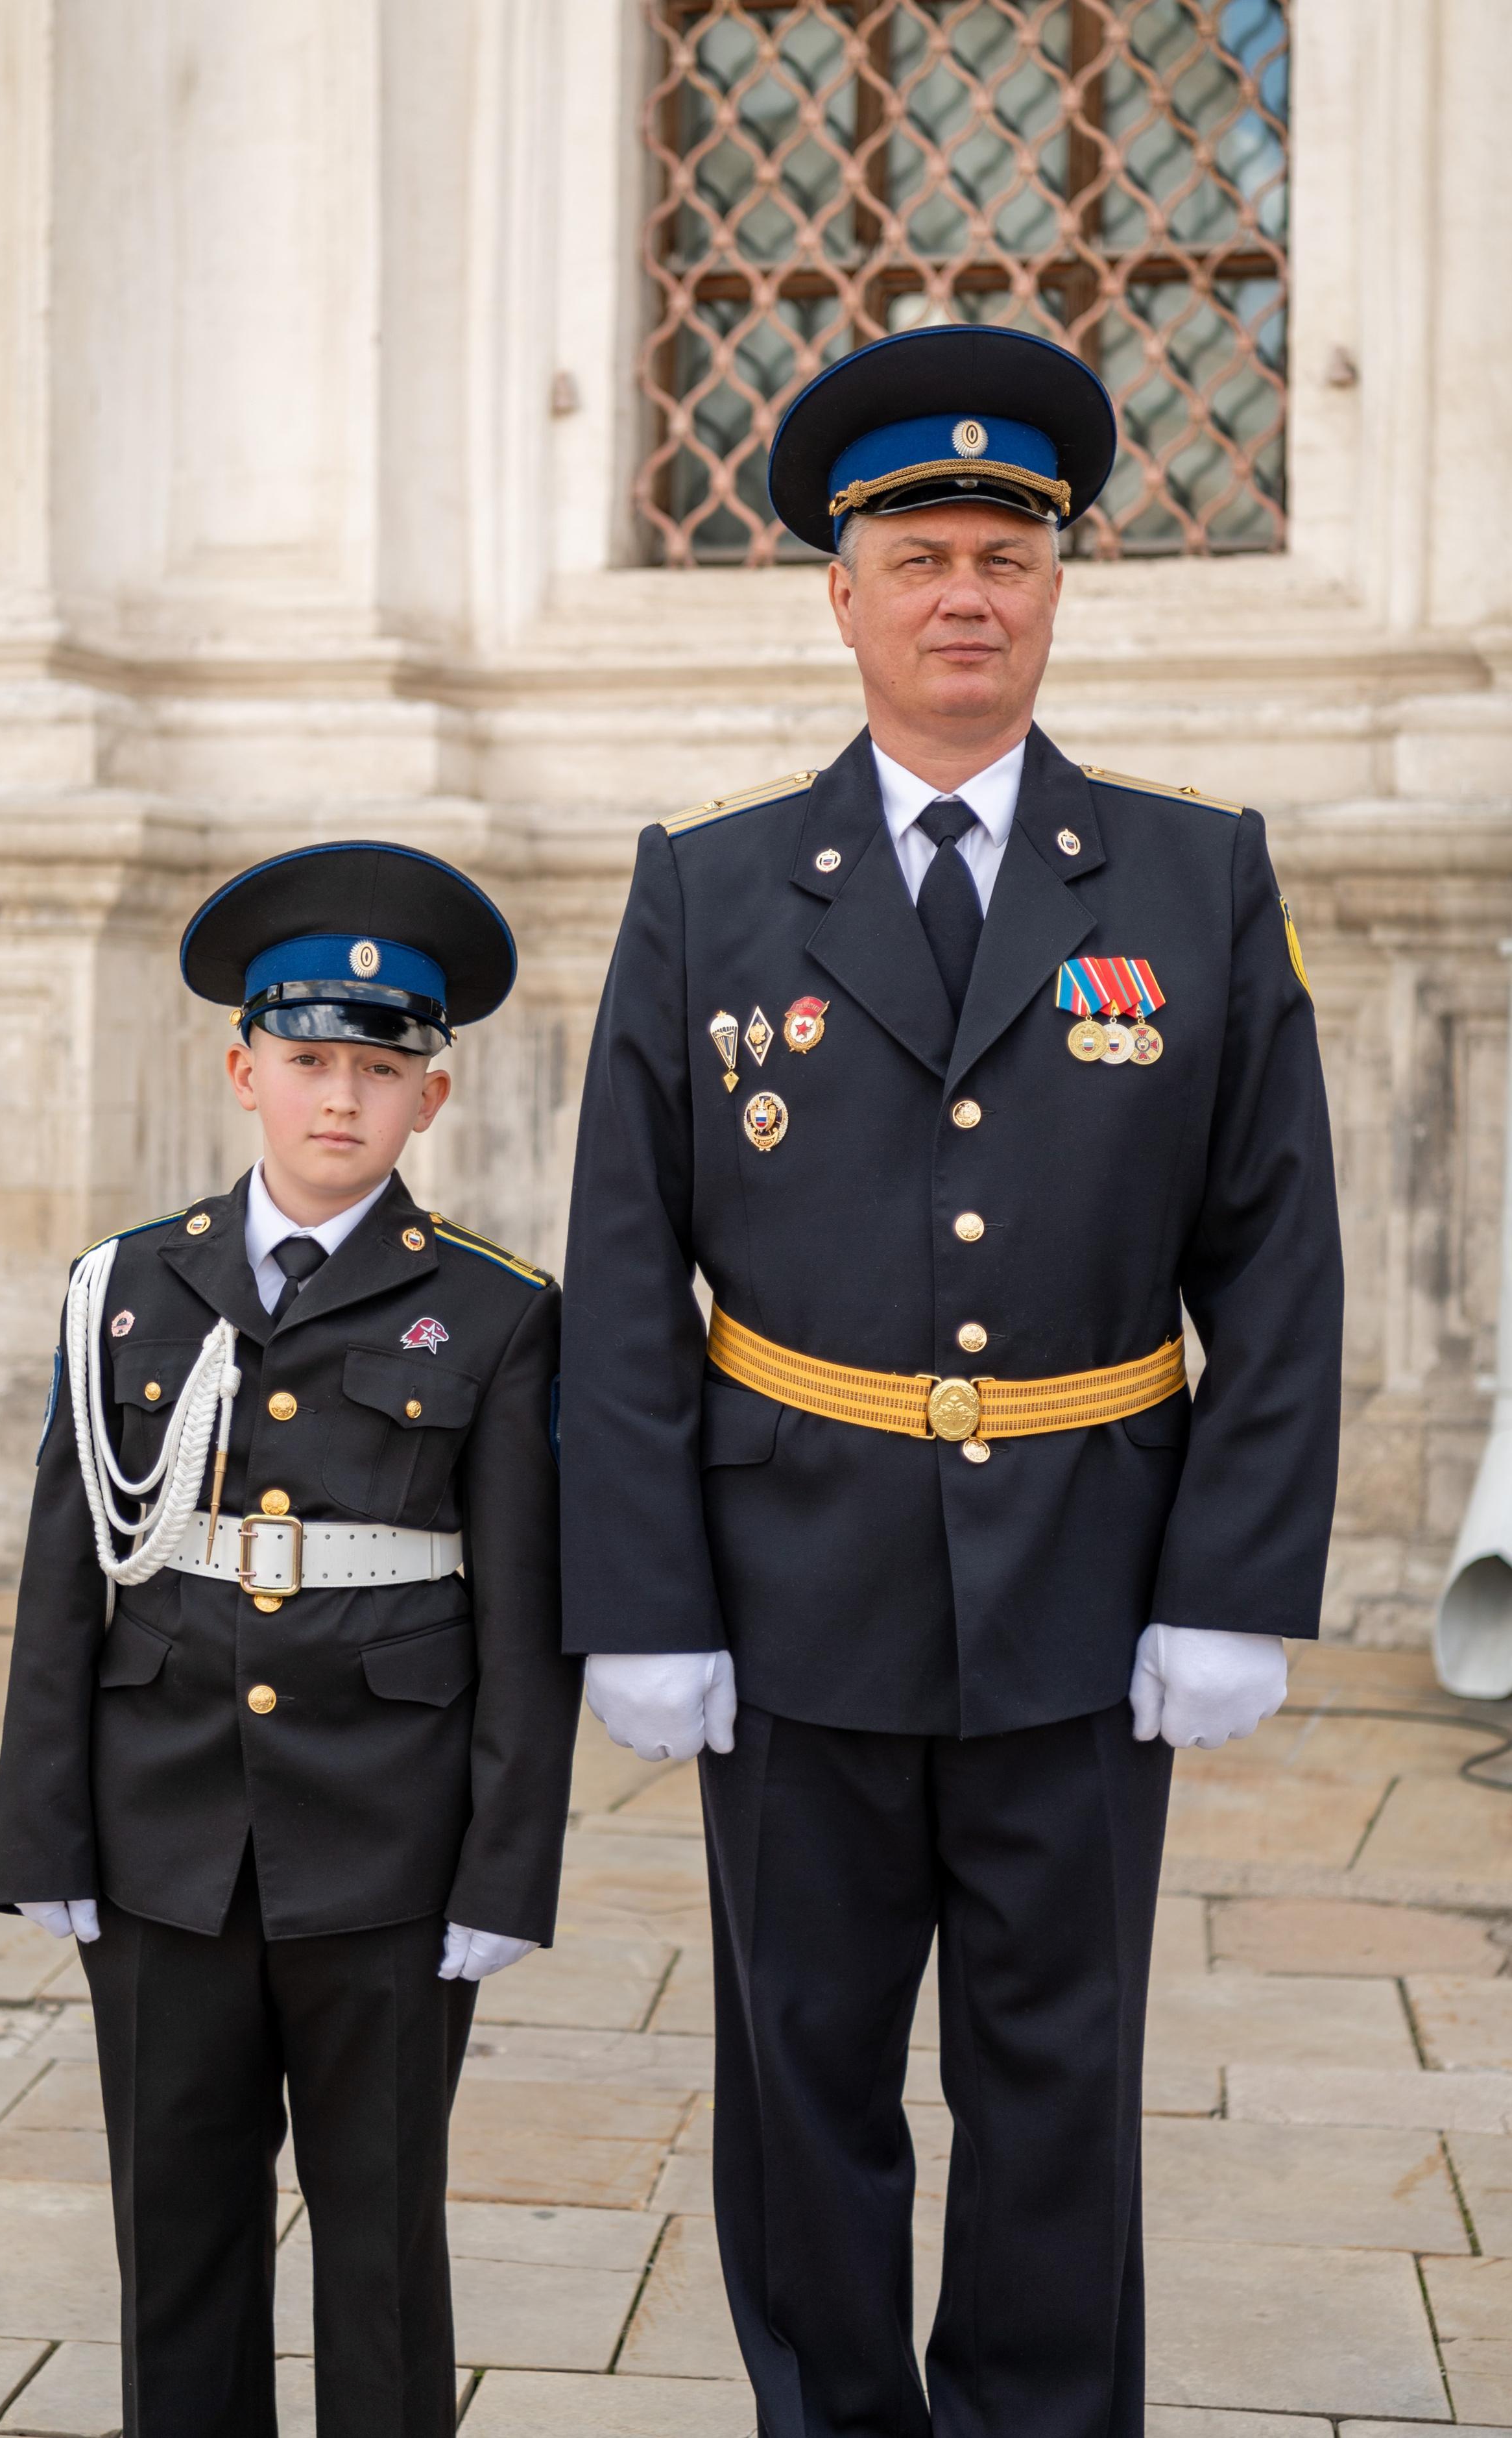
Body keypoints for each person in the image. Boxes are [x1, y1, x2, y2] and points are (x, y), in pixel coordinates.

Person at [558, 326, 1341, 2437]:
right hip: (794, 1580)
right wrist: (639, 1595)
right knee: (800, 2074)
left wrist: (1234, 1578)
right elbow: (628, 1268)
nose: (966, 590)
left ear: (1060, 581)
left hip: (1092, 1591)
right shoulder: (712, 887)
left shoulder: (1192, 875)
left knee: (1059, 2075)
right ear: (844, 591)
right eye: (920, 555)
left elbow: (1275, 1248)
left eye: (1007, 548)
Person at [0, 841, 582, 2438]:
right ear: (242, 1067)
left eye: (380, 1070)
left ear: (428, 1104)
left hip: (387, 1849)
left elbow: (530, 1625)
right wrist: (45, 1827)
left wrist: (504, 1869)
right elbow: (64, 1583)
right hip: (161, 1830)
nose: (342, 1099)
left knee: (380, 2238)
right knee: (173, 2226)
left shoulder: (499, 1310)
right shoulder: (122, 1288)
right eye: (308, 1061)